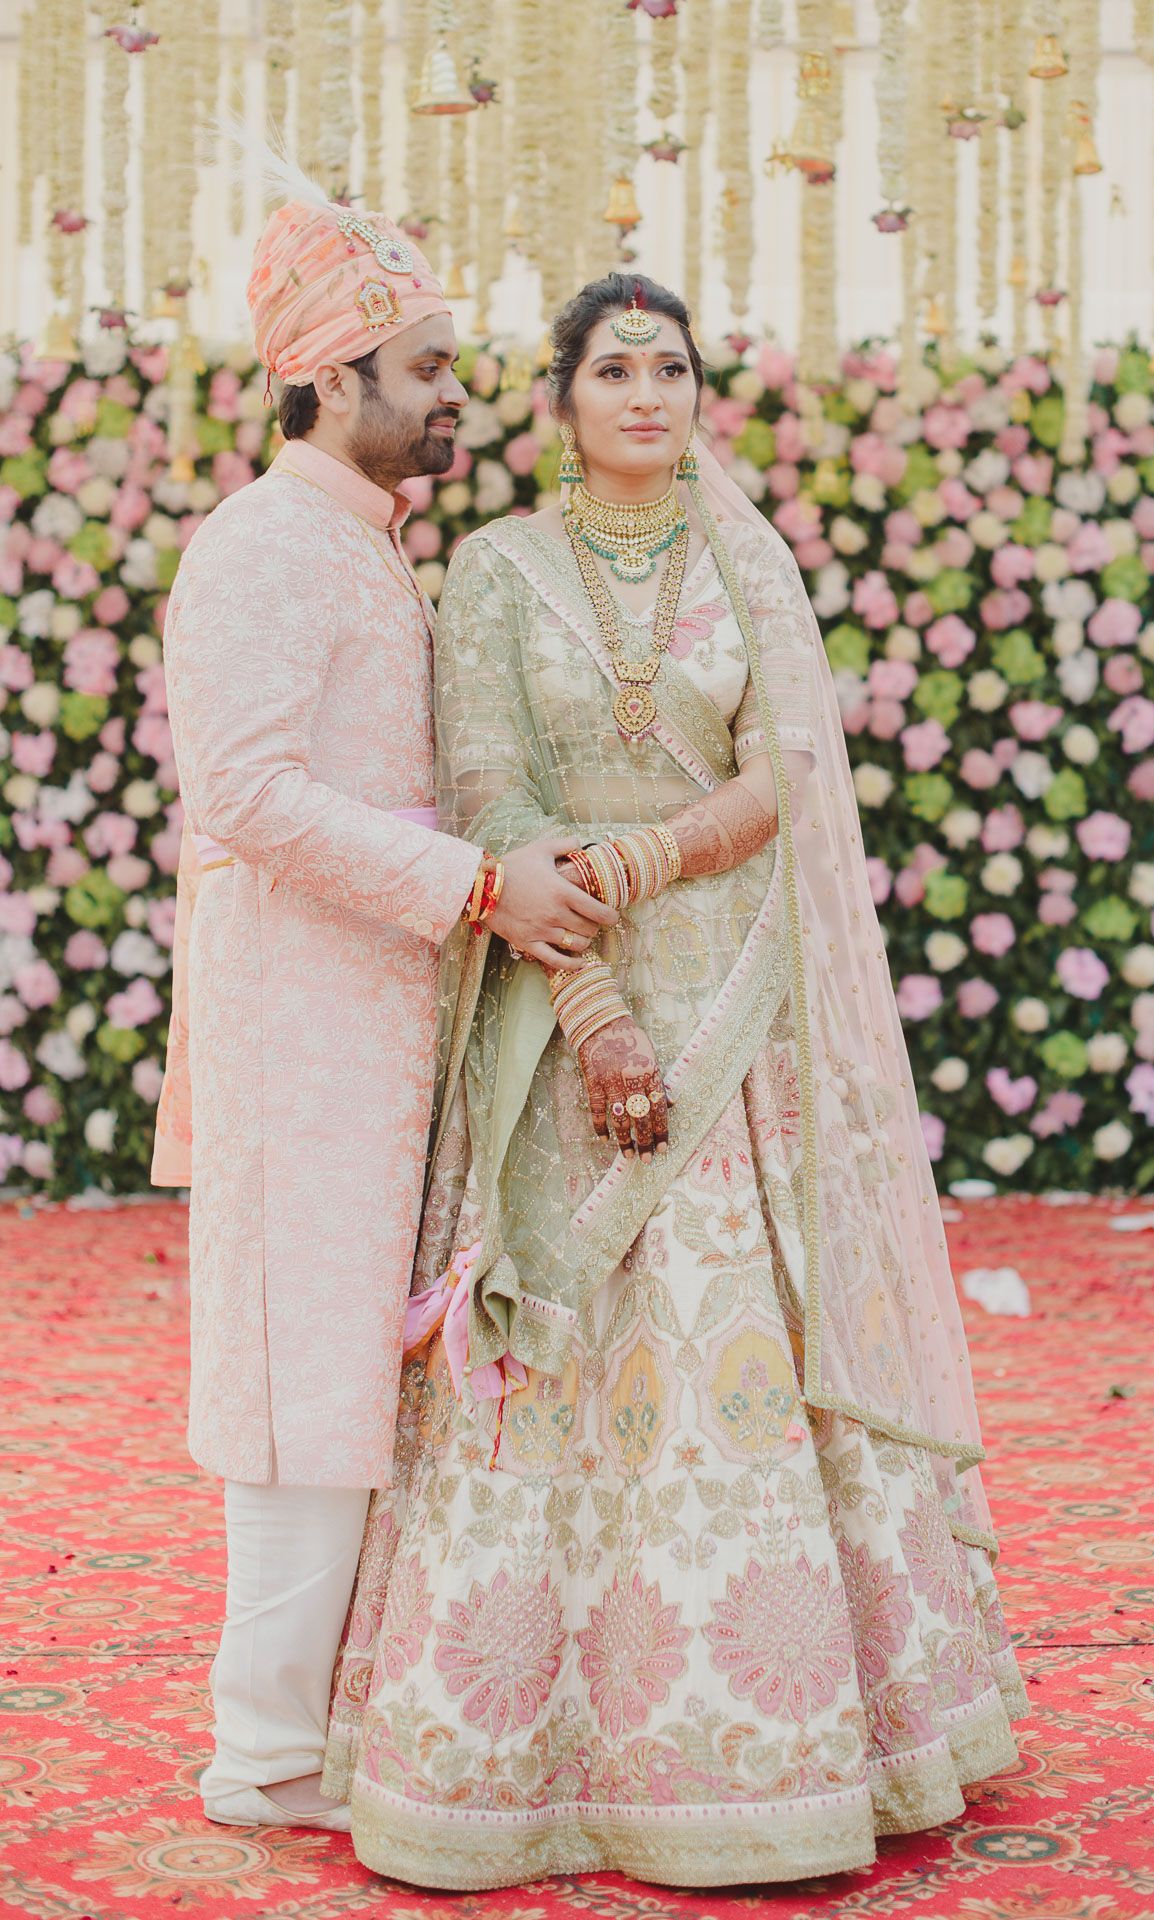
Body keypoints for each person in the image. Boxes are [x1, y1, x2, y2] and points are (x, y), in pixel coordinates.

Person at [322, 273, 1029, 1889]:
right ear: (561, 395)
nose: (650, 392)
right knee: (566, 1343)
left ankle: (785, 1742)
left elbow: (783, 774)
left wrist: (640, 862)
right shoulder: (493, 571)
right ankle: (532, 1747)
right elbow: (491, 794)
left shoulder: (747, 559)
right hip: (555, 999)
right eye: (616, 367)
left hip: (741, 1002)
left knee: (748, 1342)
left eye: (675, 368)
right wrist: (593, 1015)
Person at [152, 170, 616, 1834]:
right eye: (422, 368)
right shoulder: (265, 547)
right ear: (329, 378)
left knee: (358, 1365)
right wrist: (481, 888)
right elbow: (250, 800)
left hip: (379, 1013)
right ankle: (260, 1750)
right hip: (300, 1029)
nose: (450, 398)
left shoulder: (363, 547)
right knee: (298, 1380)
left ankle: (315, 1727)